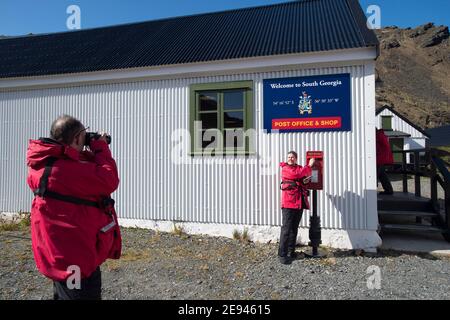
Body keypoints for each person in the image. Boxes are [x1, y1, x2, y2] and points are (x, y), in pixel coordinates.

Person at [26, 115, 122, 300]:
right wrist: (100, 146)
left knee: (64, 294)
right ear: (77, 138)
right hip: (75, 260)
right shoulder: (64, 171)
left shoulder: (44, 163)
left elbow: (76, 168)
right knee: (78, 295)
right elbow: (108, 179)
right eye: (83, 136)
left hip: (58, 251)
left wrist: (86, 147)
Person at [278, 151, 315, 265]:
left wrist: (305, 181)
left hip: (299, 202)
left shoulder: (299, 168)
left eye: (292, 157)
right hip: (288, 203)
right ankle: (282, 254)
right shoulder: (285, 168)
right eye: (289, 157)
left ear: (296, 158)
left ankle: (291, 251)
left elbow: (302, 177)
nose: (290, 159)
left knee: (294, 229)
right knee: (286, 229)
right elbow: (296, 174)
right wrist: (309, 166)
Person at [376, 128, 394, 195]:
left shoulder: (378, 136)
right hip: (382, 159)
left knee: (376, 174)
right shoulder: (381, 135)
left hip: (380, 159)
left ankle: (371, 191)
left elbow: (382, 147)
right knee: (382, 175)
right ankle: (389, 190)